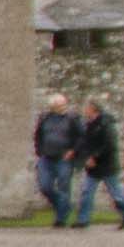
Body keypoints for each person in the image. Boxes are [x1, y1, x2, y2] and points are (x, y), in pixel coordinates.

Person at [33, 93, 81, 225]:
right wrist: (40, 151)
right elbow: (38, 135)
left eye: (64, 104)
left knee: (64, 186)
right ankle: (63, 205)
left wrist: (73, 151)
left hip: (64, 158)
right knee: (45, 186)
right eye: (60, 105)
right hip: (46, 157)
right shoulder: (44, 118)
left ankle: (61, 218)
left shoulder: (72, 118)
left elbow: (80, 137)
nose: (63, 107)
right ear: (52, 106)